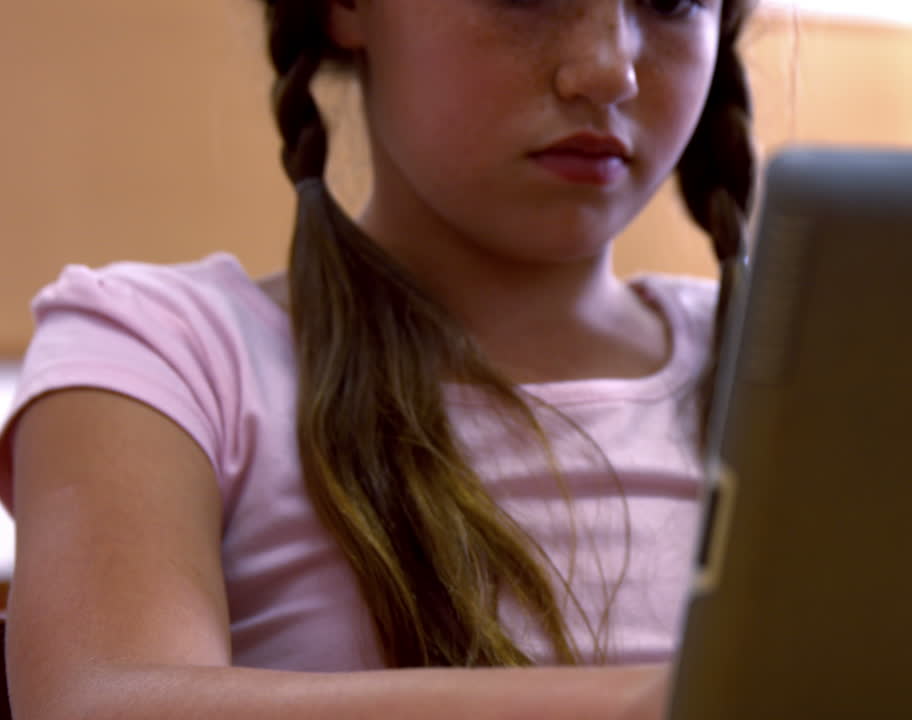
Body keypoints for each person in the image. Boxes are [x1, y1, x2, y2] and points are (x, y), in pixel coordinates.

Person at [0, 0, 756, 718]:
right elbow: (99, 702)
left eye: (673, 0)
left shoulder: (787, 365)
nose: (608, 68)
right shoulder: (162, 351)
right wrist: (660, 705)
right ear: (348, 8)